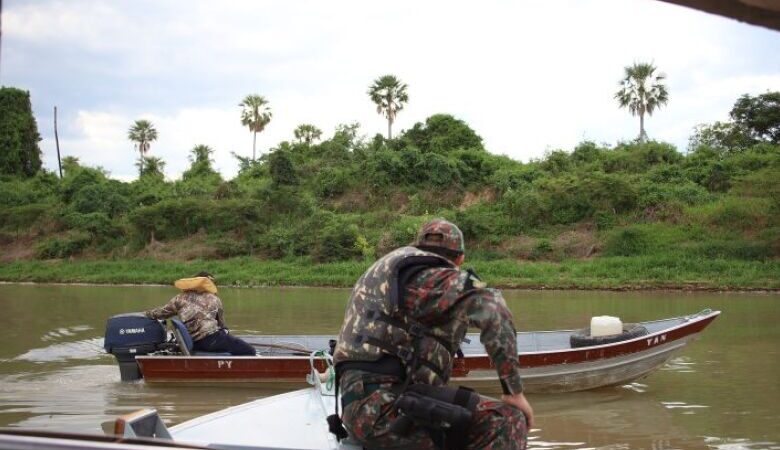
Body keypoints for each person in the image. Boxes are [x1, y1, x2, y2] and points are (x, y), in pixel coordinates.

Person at [329, 219, 533, 450]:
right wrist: (513, 392)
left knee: (463, 404)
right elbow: (491, 302)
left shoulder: (393, 270)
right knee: (508, 420)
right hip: (384, 412)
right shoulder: (434, 277)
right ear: (460, 259)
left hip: (358, 407)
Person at [144, 271, 255, 356]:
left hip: (194, 342)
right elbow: (222, 325)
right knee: (250, 350)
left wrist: (146, 314)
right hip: (211, 340)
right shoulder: (214, 299)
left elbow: (161, 313)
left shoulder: (180, 298)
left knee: (228, 342)